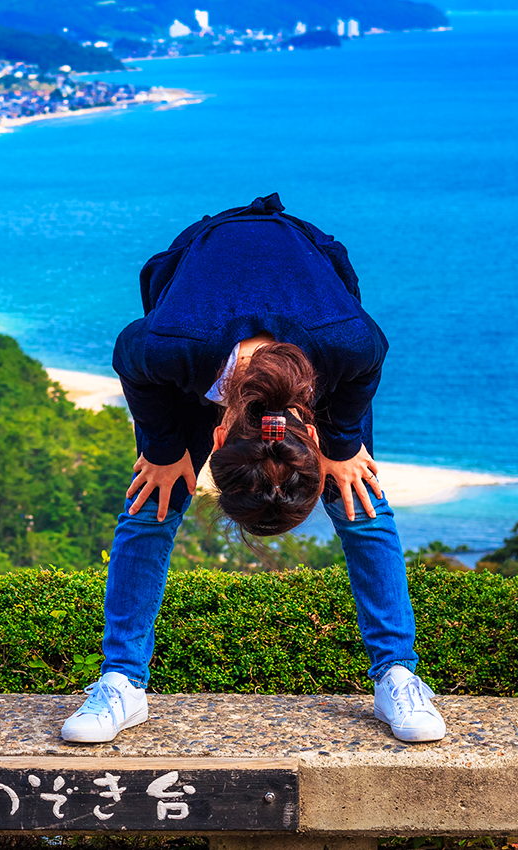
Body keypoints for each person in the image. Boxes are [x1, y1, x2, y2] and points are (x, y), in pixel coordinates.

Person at [60, 193, 446, 745]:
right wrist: (167, 452)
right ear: (216, 433)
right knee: (153, 500)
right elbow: (130, 354)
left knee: (357, 493)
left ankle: (398, 676)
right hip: (206, 288)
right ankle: (121, 683)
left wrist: (341, 444)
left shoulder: (345, 348)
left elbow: (372, 352)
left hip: (306, 328)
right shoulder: (175, 351)